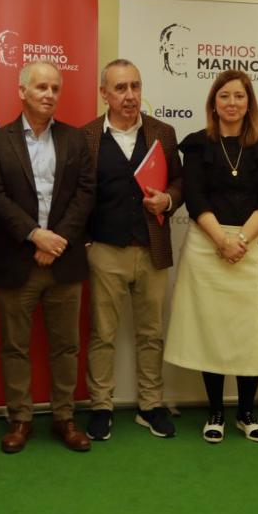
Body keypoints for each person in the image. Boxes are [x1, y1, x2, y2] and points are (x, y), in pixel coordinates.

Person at [0, 61, 95, 454]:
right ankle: (20, 419)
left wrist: (57, 240)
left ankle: (65, 418)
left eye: (55, 88)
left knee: (66, 346)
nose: (49, 95)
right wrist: (35, 236)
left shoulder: (76, 140)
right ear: (22, 91)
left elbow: (85, 194)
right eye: (41, 87)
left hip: (63, 261)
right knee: (15, 346)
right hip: (17, 260)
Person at [164, 70, 258, 443]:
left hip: (251, 247)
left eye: (240, 96)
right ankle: (215, 412)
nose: (232, 103)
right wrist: (222, 240)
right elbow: (195, 197)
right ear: (213, 102)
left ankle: (246, 413)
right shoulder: (197, 145)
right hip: (208, 246)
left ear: (250, 103)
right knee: (212, 331)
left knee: (249, 336)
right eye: (225, 96)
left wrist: (241, 239)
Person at [80, 59, 183, 441]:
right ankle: (101, 407)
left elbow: (180, 182)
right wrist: (85, 241)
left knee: (152, 332)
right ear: (104, 93)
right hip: (105, 250)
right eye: (120, 88)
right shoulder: (87, 136)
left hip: (152, 249)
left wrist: (168, 201)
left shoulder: (163, 133)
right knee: (102, 334)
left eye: (135, 87)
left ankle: (151, 405)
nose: (129, 96)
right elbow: (77, 194)